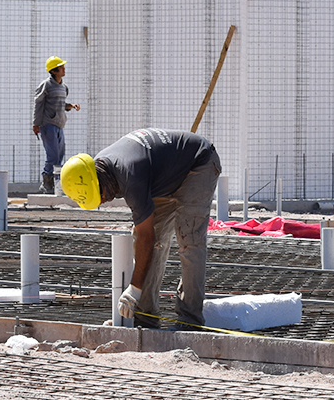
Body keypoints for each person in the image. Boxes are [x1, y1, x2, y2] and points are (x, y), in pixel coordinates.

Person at [61, 128, 221, 329]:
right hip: (164, 177)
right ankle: (146, 317)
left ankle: (190, 320)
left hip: (199, 163)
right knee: (150, 242)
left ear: (99, 180)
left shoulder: (129, 174)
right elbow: (147, 238)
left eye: (100, 195)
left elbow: (147, 237)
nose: (103, 200)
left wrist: (134, 289)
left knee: (189, 240)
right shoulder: (101, 166)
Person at [32, 55, 80, 194]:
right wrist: (36, 124)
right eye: (61, 67)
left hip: (59, 125)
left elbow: (60, 105)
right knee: (52, 155)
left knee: (59, 156)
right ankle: (46, 183)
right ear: (53, 71)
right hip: (47, 125)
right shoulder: (46, 85)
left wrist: (70, 106)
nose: (64, 68)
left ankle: (57, 186)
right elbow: (38, 103)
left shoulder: (63, 87)